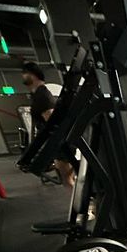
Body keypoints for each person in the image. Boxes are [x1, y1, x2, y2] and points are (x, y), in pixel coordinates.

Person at [21, 61, 75, 189]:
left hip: (60, 145)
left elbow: (52, 123)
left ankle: (80, 205)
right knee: (68, 178)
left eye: (24, 74)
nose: (22, 77)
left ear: (33, 75)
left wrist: (54, 147)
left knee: (67, 179)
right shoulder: (40, 95)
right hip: (58, 144)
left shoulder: (42, 96)